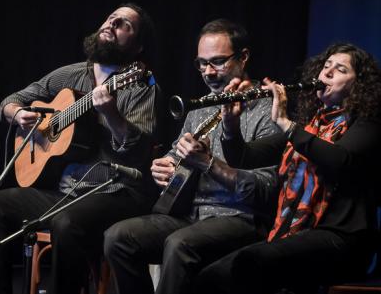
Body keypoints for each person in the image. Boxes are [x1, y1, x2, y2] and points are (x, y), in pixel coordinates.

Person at [0, 4, 161, 294]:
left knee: (67, 224)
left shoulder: (140, 85)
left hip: (117, 191)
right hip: (66, 191)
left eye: (124, 24)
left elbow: (139, 152)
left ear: (138, 47)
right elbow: (12, 99)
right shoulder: (71, 75)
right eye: (110, 17)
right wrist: (17, 114)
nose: (112, 22)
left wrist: (113, 115)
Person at [192, 43, 381, 294]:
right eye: (326, 66)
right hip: (303, 235)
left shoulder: (370, 121)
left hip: (344, 240)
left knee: (250, 264)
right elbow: (245, 157)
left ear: (359, 85)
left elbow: (341, 161)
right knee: (209, 276)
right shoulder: (313, 123)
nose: (327, 73)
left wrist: (287, 125)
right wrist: (231, 125)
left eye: (340, 69)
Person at [104, 19, 280, 294]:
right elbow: (176, 159)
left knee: (179, 244)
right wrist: (165, 168)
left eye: (218, 62)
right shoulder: (198, 109)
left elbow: (266, 190)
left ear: (243, 57)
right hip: (189, 214)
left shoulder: (268, 113)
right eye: (201, 63)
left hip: (240, 218)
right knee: (118, 237)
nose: (208, 72)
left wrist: (210, 165)